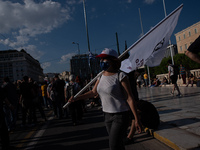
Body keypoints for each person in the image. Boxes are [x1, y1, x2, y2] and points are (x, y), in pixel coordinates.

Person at [68, 48, 142, 150]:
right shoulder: (100, 76)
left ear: (113, 60)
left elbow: (129, 98)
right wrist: (76, 98)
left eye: (104, 59)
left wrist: (136, 119)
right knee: (118, 145)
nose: (102, 61)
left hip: (120, 115)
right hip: (107, 115)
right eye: (101, 59)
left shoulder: (121, 76)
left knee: (113, 145)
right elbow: (93, 92)